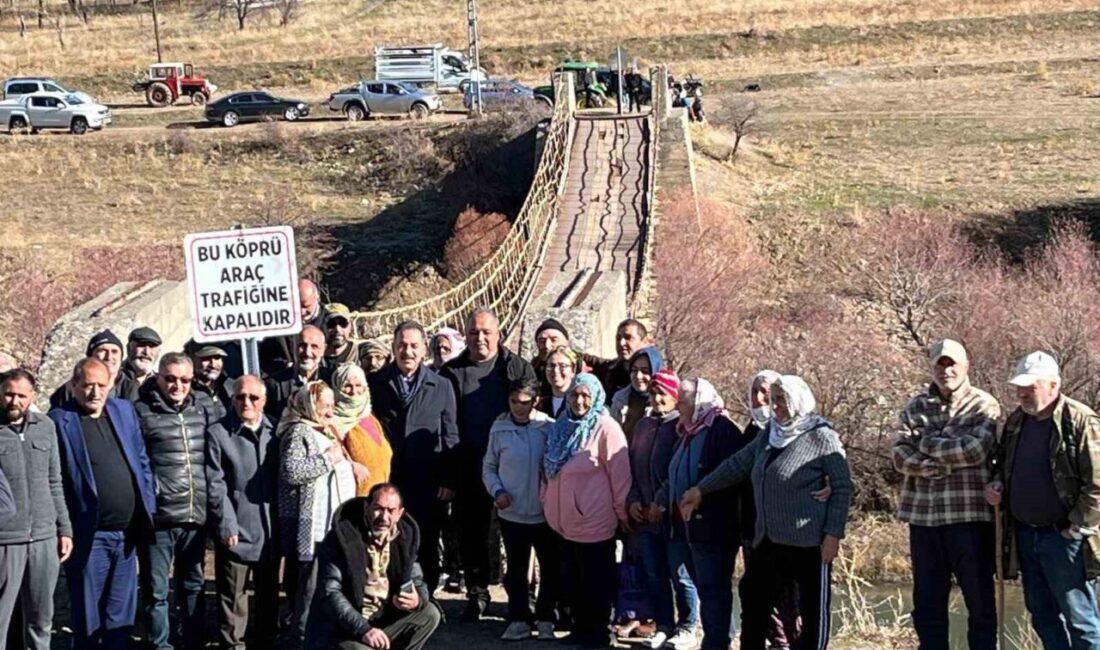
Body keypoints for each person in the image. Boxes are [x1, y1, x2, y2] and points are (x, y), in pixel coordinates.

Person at [680, 375, 853, 650]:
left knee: (812, 614)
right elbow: (737, 464)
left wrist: (833, 534)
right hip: (769, 540)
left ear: (798, 400)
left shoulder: (821, 436)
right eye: (775, 400)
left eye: (782, 400)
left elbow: (843, 487)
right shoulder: (769, 434)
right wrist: (702, 489)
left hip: (809, 543)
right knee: (754, 603)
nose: (776, 406)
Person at [985, 351, 1100, 650]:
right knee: (1042, 616)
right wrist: (997, 483)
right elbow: (1003, 464)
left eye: (1030, 387)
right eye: (1019, 388)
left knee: (1081, 620)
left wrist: (1076, 527)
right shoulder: (1016, 422)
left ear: (1053, 385)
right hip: (1026, 534)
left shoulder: (1080, 420)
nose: (1022, 394)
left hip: (1064, 539)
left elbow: (1098, 484)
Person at [892, 340, 1001, 650]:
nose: (946, 371)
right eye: (940, 365)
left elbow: (974, 450)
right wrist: (925, 466)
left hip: (969, 518)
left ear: (966, 366)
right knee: (927, 604)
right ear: (932, 368)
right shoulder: (915, 406)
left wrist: (924, 442)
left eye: (952, 364)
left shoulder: (984, 405)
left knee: (980, 603)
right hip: (924, 519)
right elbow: (898, 454)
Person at [50, 358, 157, 650]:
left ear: (110, 384)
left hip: (127, 535)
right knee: (88, 616)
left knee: (120, 616)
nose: (95, 392)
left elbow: (142, 461)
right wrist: (63, 528)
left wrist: (147, 504)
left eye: (101, 385)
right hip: (89, 535)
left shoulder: (123, 410)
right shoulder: (59, 420)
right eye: (88, 385)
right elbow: (54, 479)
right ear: (74, 385)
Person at [441, 307, 537, 620]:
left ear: (499, 334)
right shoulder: (451, 373)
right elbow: (446, 424)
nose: (479, 338)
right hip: (469, 464)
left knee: (518, 533)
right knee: (471, 532)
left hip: (513, 466)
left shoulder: (517, 368)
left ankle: (521, 597)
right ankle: (477, 592)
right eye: (473, 332)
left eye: (486, 332)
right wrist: (450, 473)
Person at [649, 378, 748, 650]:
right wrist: (661, 500)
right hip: (685, 527)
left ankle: (717, 643)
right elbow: (675, 473)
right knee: (702, 586)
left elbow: (730, 475)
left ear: (700, 402)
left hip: (712, 528)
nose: (678, 406)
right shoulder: (688, 432)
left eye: (683, 401)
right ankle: (714, 638)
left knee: (713, 589)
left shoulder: (721, 430)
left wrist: (702, 493)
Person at [134, 352, 221, 650]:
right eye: (170, 379)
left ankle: (194, 642)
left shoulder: (203, 409)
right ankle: (161, 645)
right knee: (156, 590)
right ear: (158, 377)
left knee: (193, 585)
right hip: (159, 518)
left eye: (185, 380)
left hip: (194, 515)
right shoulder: (141, 412)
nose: (178, 386)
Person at [542, 373, 631, 649]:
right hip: (564, 523)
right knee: (573, 582)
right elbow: (548, 470)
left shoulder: (606, 428)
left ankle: (598, 633)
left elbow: (620, 476)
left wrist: (623, 513)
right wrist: (546, 501)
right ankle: (579, 630)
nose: (579, 401)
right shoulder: (562, 425)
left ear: (596, 398)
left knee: (596, 583)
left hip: (595, 522)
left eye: (585, 396)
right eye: (574, 395)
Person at [369, 321, 459, 595]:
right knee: (387, 539)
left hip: (427, 479)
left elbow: (450, 434)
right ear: (394, 348)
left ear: (423, 350)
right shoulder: (376, 383)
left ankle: (426, 600)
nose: (407, 351)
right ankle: (389, 598)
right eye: (402, 345)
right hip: (389, 479)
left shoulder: (441, 385)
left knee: (426, 541)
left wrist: (449, 478)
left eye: (413, 346)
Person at [304, 483, 442, 650]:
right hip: (346, 629)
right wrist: (363, 629)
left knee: (429, 614)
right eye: (378, 508)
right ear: (366, 507)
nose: (384, 517)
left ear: (399, 514)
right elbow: (330, 592)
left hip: (383, 622)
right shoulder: (341, 538)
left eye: (391, 511)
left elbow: (417, 580)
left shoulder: (405, 538)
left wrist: (417, 599)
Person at [278, 381, 358, 649]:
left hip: (331, 525)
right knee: (309, 590)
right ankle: (300, 640)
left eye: (332, 405)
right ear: (309, 405)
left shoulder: (325, 430)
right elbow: (292, 471)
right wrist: (327, 460)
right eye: (324, 405)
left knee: (329, 587)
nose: (330, 411)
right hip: (313, 527)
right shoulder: (298, 431)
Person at [206, 375, 280, 650]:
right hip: (236, 529)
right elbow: (216, 484)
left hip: (269, 531)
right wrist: (227, 524)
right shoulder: (218, 433)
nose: (246, 402)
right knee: (233, 600)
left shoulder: (277, 431)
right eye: (240, 397)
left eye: (253, 397)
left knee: (268, 599)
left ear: (264, 401)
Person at [626, 369, 698, 650]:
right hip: (645, 517)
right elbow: (633, 468)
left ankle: (688, 625)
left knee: (681, 575)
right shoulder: (643, 426)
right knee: (654, 574)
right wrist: (634, 500)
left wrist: (660, 501)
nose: (657, 399)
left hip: (672, 517)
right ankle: (664, 625)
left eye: (663, 394)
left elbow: (677, 470)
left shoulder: (680, 426)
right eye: (653, 394)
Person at [0, 369, 72, 650]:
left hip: (44, 538)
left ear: (32, 396)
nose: (14, 400)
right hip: (5, 540)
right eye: (9, 394)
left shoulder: (46, 427)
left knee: (41, 619)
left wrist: (64, 529)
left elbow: (55, 481)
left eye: (21, 395)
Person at [483, 378, 559, 641]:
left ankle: (546, 617)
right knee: (516, 568)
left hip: (544, 513)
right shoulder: (499, 429)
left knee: (549, 567)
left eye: (525, 402)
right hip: (511, 512)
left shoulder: (548, 427)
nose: (518, 407)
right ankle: (519, 617)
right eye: (514, 401)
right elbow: (489, 466)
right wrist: (497, 491)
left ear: (535, 401)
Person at [740, 370, 803, 649]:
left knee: (787, 594)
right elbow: (735, 468)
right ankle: (776, 641)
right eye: (755, 392)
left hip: (786, 530)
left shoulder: (798, 432)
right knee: (758, 592)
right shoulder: (751, 432)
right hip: (752, 526)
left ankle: (789, 641)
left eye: (766, 392)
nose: (760, 398)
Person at [331, 363, 392, 497]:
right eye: (347, 386)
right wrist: (350, 465)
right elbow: (331, 457)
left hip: (377, 498)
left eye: (358, 385)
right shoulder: (333, 422)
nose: (353, 391)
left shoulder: (370, 417)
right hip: (352, 499)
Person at [49, 330, 138, 408]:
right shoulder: (70, 389)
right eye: (102, 351)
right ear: (90, 356)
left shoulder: (132, 388)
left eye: (114, 351)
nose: (109, 357)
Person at [260, 279, 330, 374]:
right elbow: (267, 356)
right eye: (296, 305)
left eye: (306, 306)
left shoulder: (331, 322)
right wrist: (285, 367)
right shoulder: (277, 323)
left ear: (317, 298)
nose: (301, 311)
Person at [265, 325, 333, 423]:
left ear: (323, 350)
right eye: (302, 345)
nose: (307, 352)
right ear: (293, 347)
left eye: (314, 346)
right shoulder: (274, 384)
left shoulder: (332, 380)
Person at [610, 346, 662, 440]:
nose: (638, 376)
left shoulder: (662, 402)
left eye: (645, 371)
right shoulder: (620, 399)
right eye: (634, 370)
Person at [591, 319, 649, 402]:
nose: (621, 343)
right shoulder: (610, 370)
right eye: (618, 338)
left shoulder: (656, 376)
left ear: (644, 341)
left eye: (628, 338)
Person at [191, 344, 233, 421]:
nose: (213, 365)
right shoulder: (187, 390)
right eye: (206, 358)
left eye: (217, 358)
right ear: (194, 360)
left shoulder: (231, 387)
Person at [538, 346, 579, 419]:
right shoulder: (540, 405)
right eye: (551, 365)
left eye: (562, 366)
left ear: (573, 370)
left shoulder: (579, 402)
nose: (556, 370)